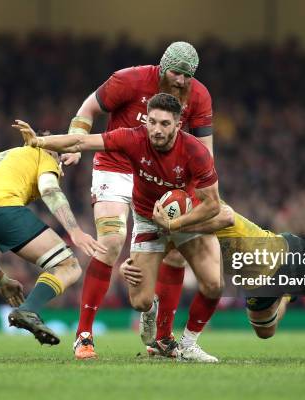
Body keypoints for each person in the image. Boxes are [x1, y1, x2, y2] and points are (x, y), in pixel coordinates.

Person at [13, 93, 223, 362]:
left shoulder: (195, 151)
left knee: (214, 283)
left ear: (178, 124)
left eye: (165, 124)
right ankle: (151, 310)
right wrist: (39, 141)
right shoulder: (133, 137)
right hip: (148, 218)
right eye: (153, 122)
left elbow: (213, 205)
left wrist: (175, 223)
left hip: (185, 217)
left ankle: (186, 343)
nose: (157, 130)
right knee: (140, 301)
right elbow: (81, 140)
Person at [61, 41, 214, 359]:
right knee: (112, 240)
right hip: (117, 165)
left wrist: (197, 201)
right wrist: (75, 143)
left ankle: (162, 338)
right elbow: (88, 109)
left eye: (188, 76)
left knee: (175, 255)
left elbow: (205, 154)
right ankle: (84, 335)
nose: (182, 81)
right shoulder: (128, 80)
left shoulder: (199, 96)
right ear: (162, 66)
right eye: (176, 72)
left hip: (164, 178)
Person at [120, 204, 305, 357]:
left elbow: (224, 217)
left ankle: (287, 295)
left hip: (269, 275)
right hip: (288, 246)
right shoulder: (190, 221)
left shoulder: (204, 211)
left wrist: (172, 225)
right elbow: (163, 260)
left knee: (265, 331)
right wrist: (130, 268)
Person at [0, 144, 105, 362]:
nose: (61, 166)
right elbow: (50, 189)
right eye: (60, 158)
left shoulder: (3, 157)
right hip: (2, 207)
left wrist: (2, 280)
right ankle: (29, 310)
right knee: (68, 265)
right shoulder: (45, 155)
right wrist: (75, 230)